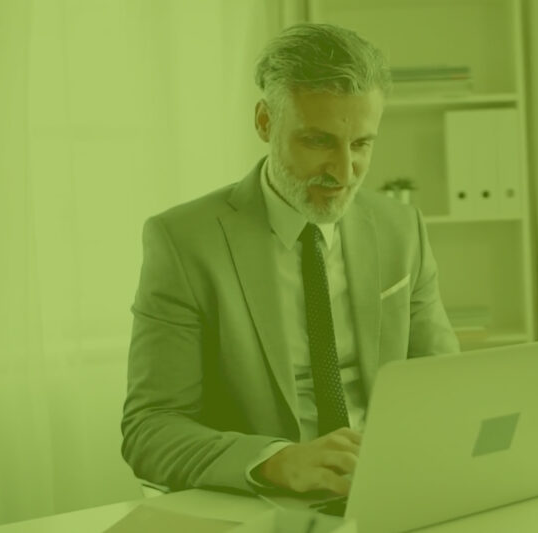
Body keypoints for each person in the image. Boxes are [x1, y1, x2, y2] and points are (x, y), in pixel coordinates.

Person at [120, 23, 460, 498]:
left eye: (362, 144)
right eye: (318, 141)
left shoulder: (402, 229)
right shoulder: (184, 241)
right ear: (264, 122)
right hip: (267, 502)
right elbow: (150, 429)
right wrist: (276, 461)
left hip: (389, 488)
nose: (344, 173)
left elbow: (446, 385)